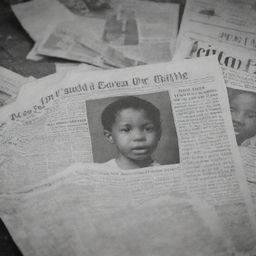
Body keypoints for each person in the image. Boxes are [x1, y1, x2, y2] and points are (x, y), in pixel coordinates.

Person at [101, 96, 162, 170]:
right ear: (110, 136)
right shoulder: (103, 171)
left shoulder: (165, 171)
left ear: (159, 133)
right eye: (126, 130)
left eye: (148, 129)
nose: (138, 137)